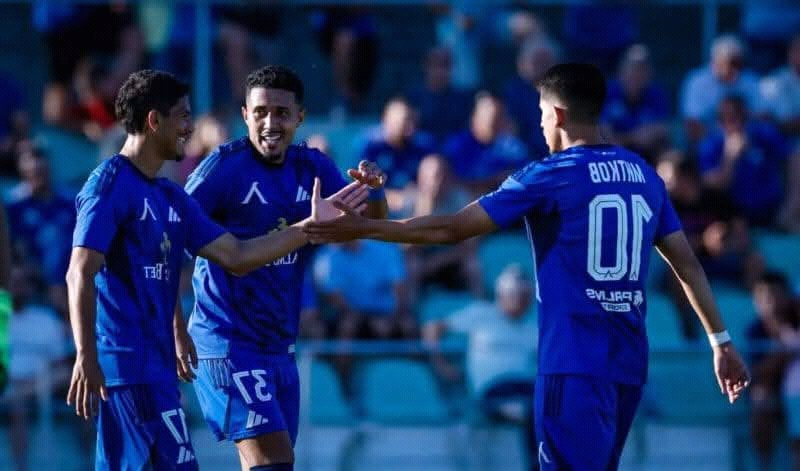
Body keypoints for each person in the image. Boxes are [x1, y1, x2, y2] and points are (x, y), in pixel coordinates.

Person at [304, 63, 751, 470]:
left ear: (557, 114)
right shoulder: (644, 174)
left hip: (572, 365)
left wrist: (362, 228)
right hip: (627, 366)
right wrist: (721, 341)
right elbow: (688, 265)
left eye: (540, 113)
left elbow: (453, 228)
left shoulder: (551, 173)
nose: (538, 123)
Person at [65, 69, 370, 471]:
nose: (189, 129)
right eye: (183, 117)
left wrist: (310, 227)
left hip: (165, 371)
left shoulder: (170, 196)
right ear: (155, 121)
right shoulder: (110, 184)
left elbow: (236, 255)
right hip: (131, 369)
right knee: (272, 460)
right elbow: (79, 272)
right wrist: (85, 355)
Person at [184, 65, 387, 471]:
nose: (270, 123)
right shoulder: (221, 169)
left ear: (300, 117)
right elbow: (173, 235)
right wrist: (173, 324)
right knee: (273, 460)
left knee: (273, 462)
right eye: (260, 112)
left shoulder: (313, 167)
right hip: (228, 341)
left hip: (279, 344)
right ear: (245, 115)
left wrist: (374, 193)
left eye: (281, 113)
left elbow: (364, 228)